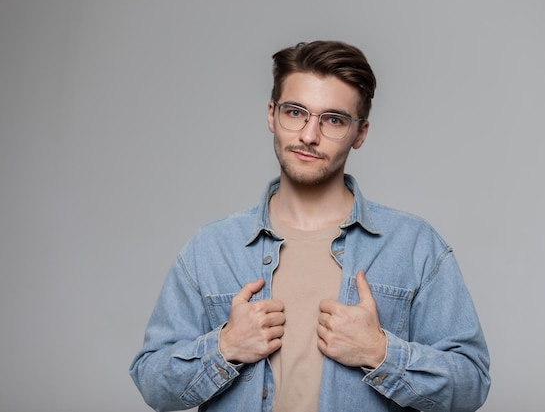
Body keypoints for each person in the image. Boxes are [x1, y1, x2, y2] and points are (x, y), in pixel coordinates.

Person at [129, 40, 490, 412]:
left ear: (360, 133)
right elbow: (152, 382)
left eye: (333, 119)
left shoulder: (414, 245)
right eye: (295, 112)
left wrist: (380, 352)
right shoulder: (211, 248)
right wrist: (225, 347)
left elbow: (471, 384)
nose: (308, 135)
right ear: (272, 114)